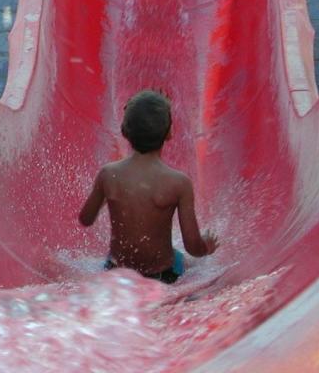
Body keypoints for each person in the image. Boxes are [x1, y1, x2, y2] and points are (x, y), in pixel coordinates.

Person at [78, 90, 217, 283]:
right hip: (163, 276)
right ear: (169, 133)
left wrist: (106, 194)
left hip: (116, 271)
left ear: (124, 131)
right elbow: (193, 246)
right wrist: (207, 247)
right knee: (190, 263)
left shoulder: (108, 174)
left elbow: (85, 219)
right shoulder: (179, 183)